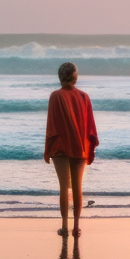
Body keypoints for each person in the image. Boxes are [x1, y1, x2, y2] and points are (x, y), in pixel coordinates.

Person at [44, 62, 98, 237]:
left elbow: (52, 126)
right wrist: (89, 148)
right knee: (77, 188)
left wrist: (48, 149)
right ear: (75, 77)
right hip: (79, 147)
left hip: (60, 147)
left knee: (63, 187)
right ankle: (76, 227)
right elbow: (90, 126)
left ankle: (65, 227)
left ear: (60, 77)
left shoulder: (55, 96)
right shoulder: (84, 97)